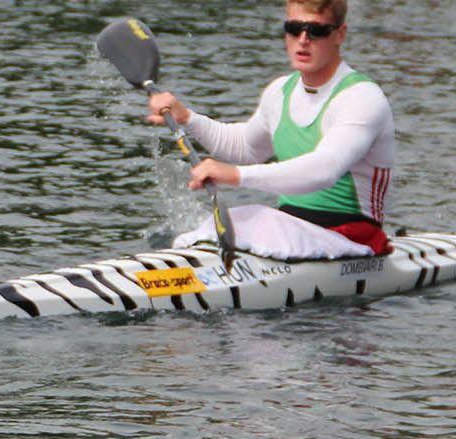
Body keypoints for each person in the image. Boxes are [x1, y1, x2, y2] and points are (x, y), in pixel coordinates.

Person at [148, 0, 395, 257]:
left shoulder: (361, 98)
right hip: (291, 232)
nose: (303, 40)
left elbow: (325, 170)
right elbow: (245, 147)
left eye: (316, 31)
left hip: (352, 238)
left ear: (340, 34)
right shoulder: (279, 91)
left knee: (259, 217)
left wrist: (235, 175)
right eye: (294, 28)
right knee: (229, 222)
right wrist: (187, 117)